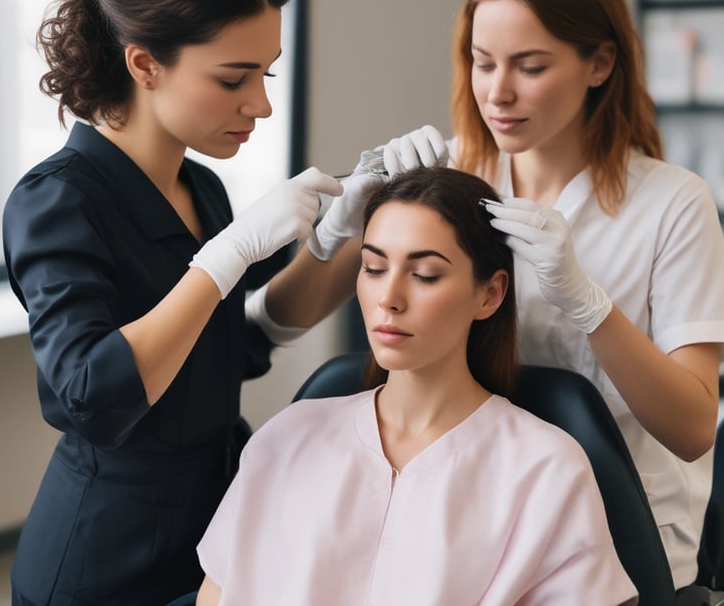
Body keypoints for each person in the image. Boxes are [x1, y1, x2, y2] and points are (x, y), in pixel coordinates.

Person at [2, 0, 446, 606]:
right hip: (103, 560)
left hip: (215, 530)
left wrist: (348, 229)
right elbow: (93, 394)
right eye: (235, 78)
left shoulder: (197, 183)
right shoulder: (57, 202)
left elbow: (240, 339)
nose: (262, 104)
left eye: (266, 73)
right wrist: (226, 254)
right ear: (144, 63)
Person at [448, 0, 724, 595]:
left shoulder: (672, 202)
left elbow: (695, 427)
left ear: (600, 62)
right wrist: (343, 229)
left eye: (530, 66)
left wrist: (591, 307)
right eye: (482, 63)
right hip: (476, 514)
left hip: (621, 532)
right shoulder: (454, 179)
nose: (497, 92)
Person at [194, 166, 638, 606]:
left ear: (490, 294)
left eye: (425, 274)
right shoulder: (289, 437)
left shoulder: (546, 467)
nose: (389, 297)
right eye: (373, 267)